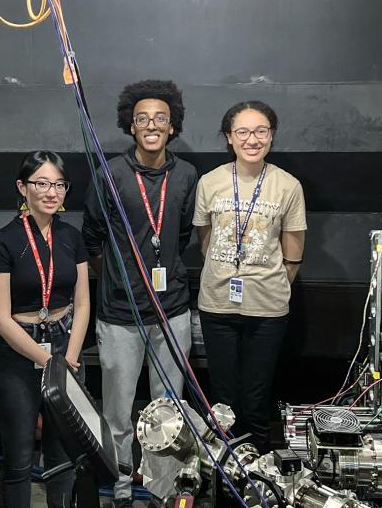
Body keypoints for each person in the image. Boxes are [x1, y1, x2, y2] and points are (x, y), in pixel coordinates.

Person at [82, 79, 197, 507]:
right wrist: (121, 276)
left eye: (160, 119)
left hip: (172, 312)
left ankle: (164, 488)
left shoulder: (186, 175)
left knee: (170, 410)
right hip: (119, 315)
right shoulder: (110, 174)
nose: (151, 125)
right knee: (118, 413)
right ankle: (121, 486)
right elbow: (91, 238)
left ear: (172, 126)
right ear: (131, 126)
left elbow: (182, 233)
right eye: (143, 118)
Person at [193, 100, 306, 453]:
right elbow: (205, 240)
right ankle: (226, 474)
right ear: (229, 137)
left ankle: (257, 478)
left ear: (271, 136)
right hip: (217, 305)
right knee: (223, 401)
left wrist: (266, 285)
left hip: (268, 309)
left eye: (261, 131)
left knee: (256, 400)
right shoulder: (210, 182)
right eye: (242, 131)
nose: (251, 139)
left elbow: (293, 255)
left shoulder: (287, 186)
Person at [0, 151, 89, 508]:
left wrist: (68, 357)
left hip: (65, 345)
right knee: (19, 456)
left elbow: (83, 302)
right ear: (22, 188)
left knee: (64, 455)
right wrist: (48, 361)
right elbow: (0, 318)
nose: (51, 192)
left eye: (58, 184)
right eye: (41, 183)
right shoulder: (2, 240)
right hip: (20, 351)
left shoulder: (72, 236)